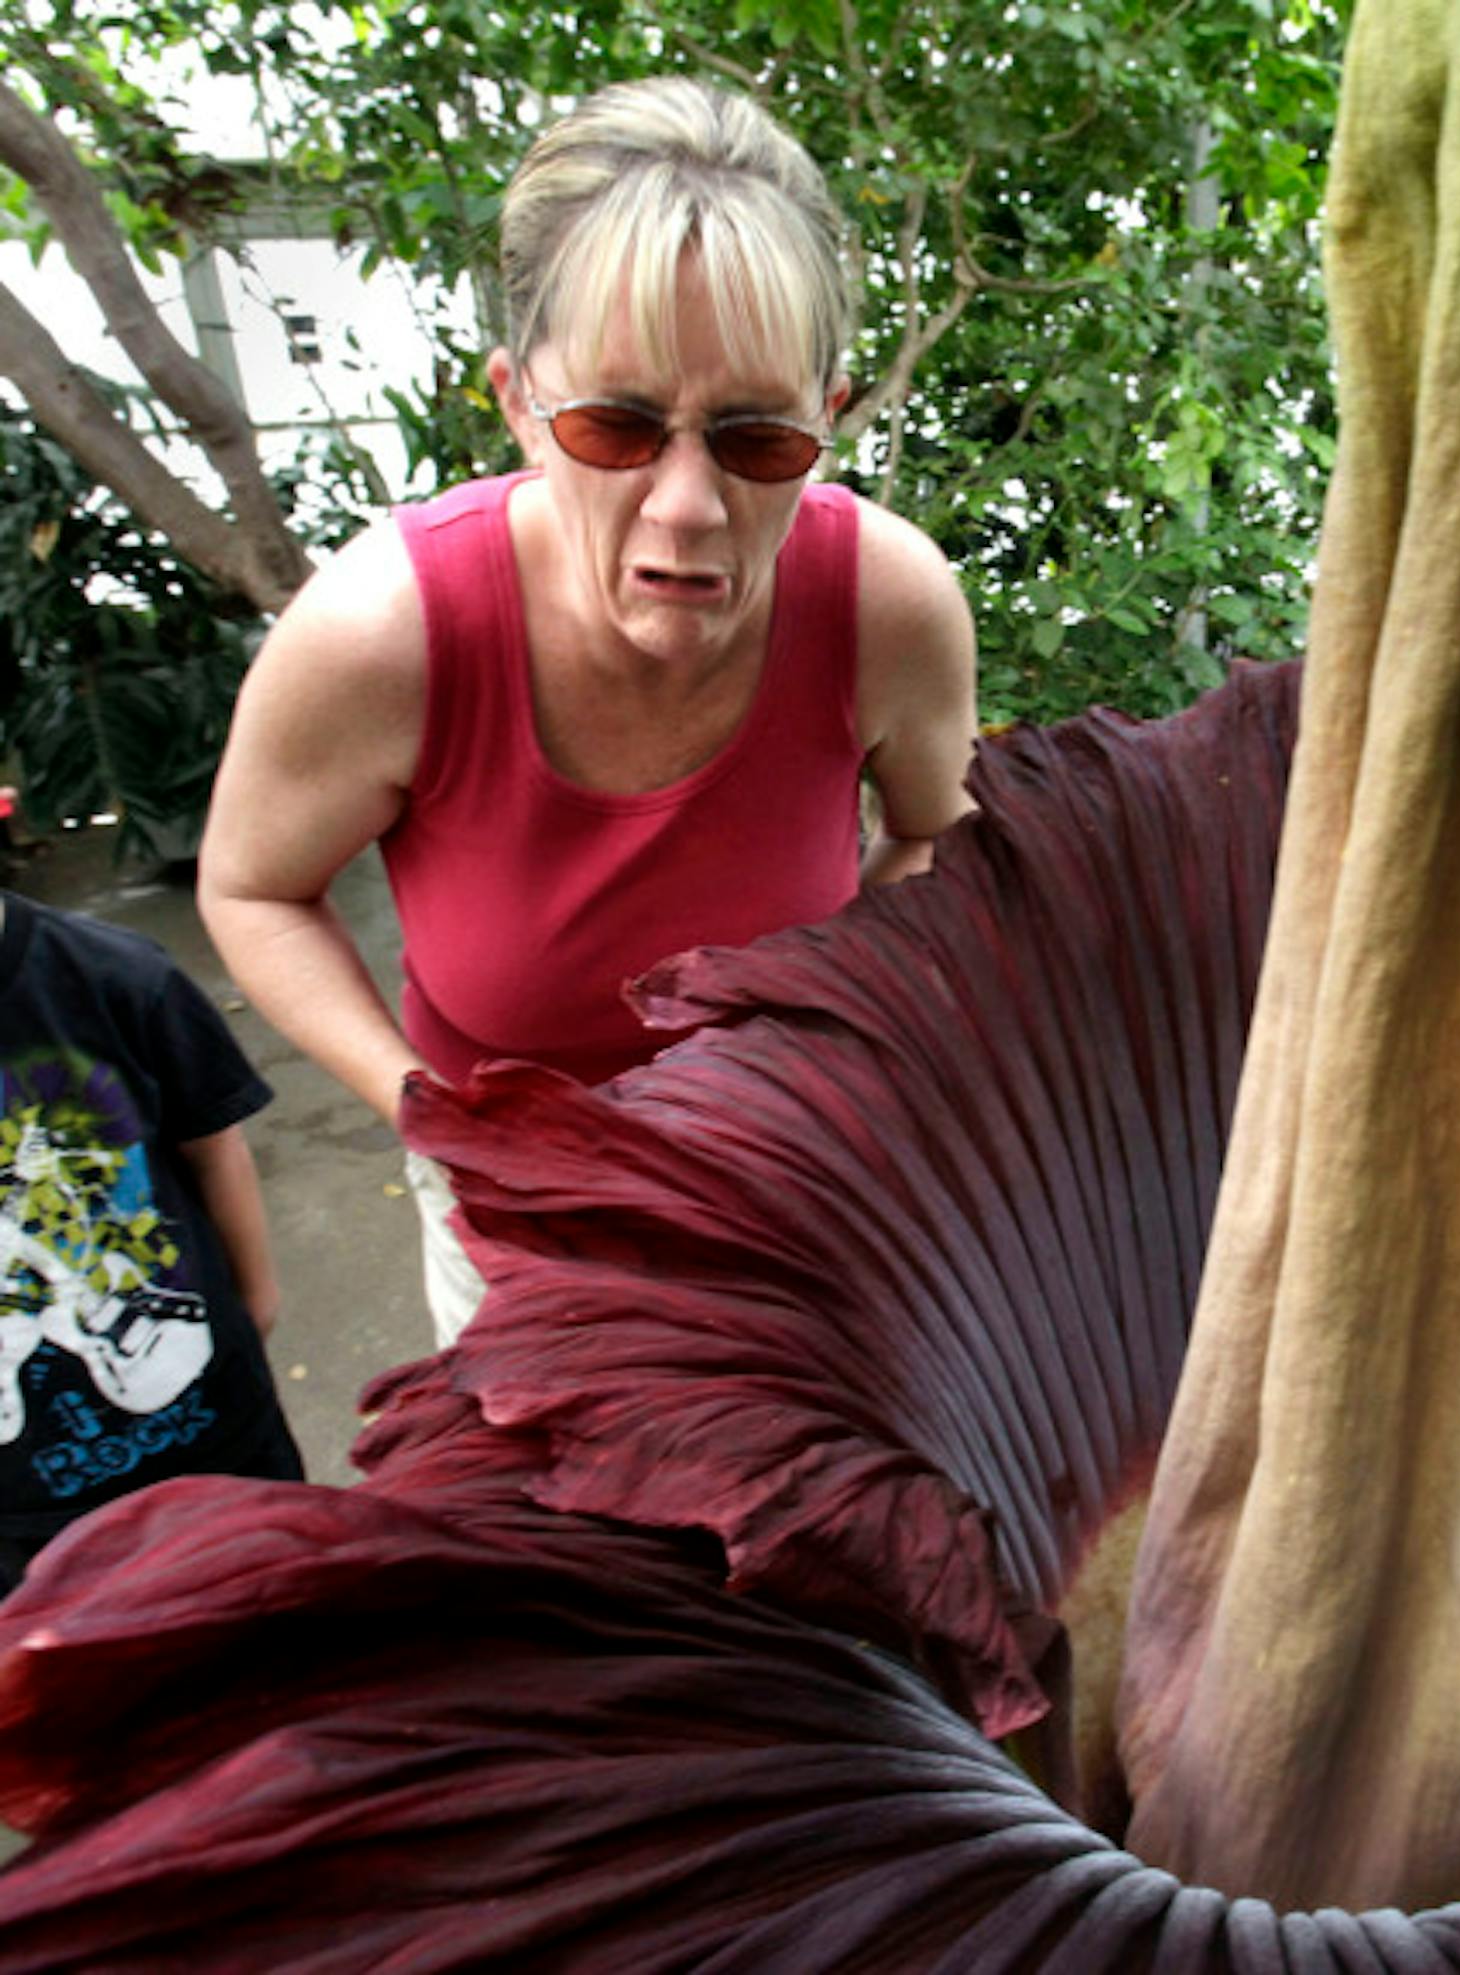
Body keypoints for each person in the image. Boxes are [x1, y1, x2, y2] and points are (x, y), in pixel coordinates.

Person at [198, 79, 979, 1348]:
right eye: (617, 426)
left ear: (827, 418)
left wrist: (849, 1046)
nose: (686, 506)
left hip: (796, 1172)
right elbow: (251, 889)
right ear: (517, 402)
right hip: (515, 1210)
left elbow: (934, 838)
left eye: (756, 439)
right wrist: (433, 1113)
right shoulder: (385, 635)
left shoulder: (888, 607)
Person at [0, 890, 301, 1595]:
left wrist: (253, 1302)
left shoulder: (112, 976)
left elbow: (213, 1146)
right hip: (22, 1524)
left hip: (218, 1452)